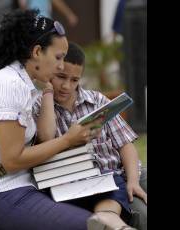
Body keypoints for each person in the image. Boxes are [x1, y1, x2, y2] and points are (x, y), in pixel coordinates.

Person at [0, 9, 106, 230]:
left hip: (27, 185)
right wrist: (68, 140)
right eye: (58, 57)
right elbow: (12, 160)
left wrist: (47, 88)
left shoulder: (26, 83)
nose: (62, 65)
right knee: (92, 226)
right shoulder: (10, 84)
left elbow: (46, 136)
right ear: (37, 52)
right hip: (3, 192)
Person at [32, 42, 147, 230]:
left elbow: (125, 145)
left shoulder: (97, 101)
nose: (66, 86)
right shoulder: (39, 107)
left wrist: (133, 180)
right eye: (60, 77)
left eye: (74, 80)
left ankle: (109, 217)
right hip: (79, 181)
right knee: (143, 216)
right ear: (50, 70)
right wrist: (47, 91)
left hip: (120, 172)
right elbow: (46, 138)